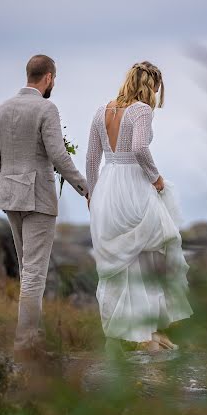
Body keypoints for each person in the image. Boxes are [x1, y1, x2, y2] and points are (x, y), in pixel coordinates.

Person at [0, 54, 88, 363]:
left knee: (25, 268)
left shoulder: (0, 109)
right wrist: (85, 187)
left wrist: (14, 174)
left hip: (9, 197)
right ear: (49, 78)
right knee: (33, 274)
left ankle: (30, 338)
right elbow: (58, 154)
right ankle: (26, 343)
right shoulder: (46, 108)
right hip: (38, 199)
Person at [86, 61, 193, 354]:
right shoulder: (141, 111)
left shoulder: (101, 111)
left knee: (120, 261)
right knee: (152, 252)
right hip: (133, 183)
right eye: (157, 90)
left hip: (107, 187)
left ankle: (134, 332)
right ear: (151, 86)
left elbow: (92, 159)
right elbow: (139, 149)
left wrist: (92, 197)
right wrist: (156, 179)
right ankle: (145, 332)